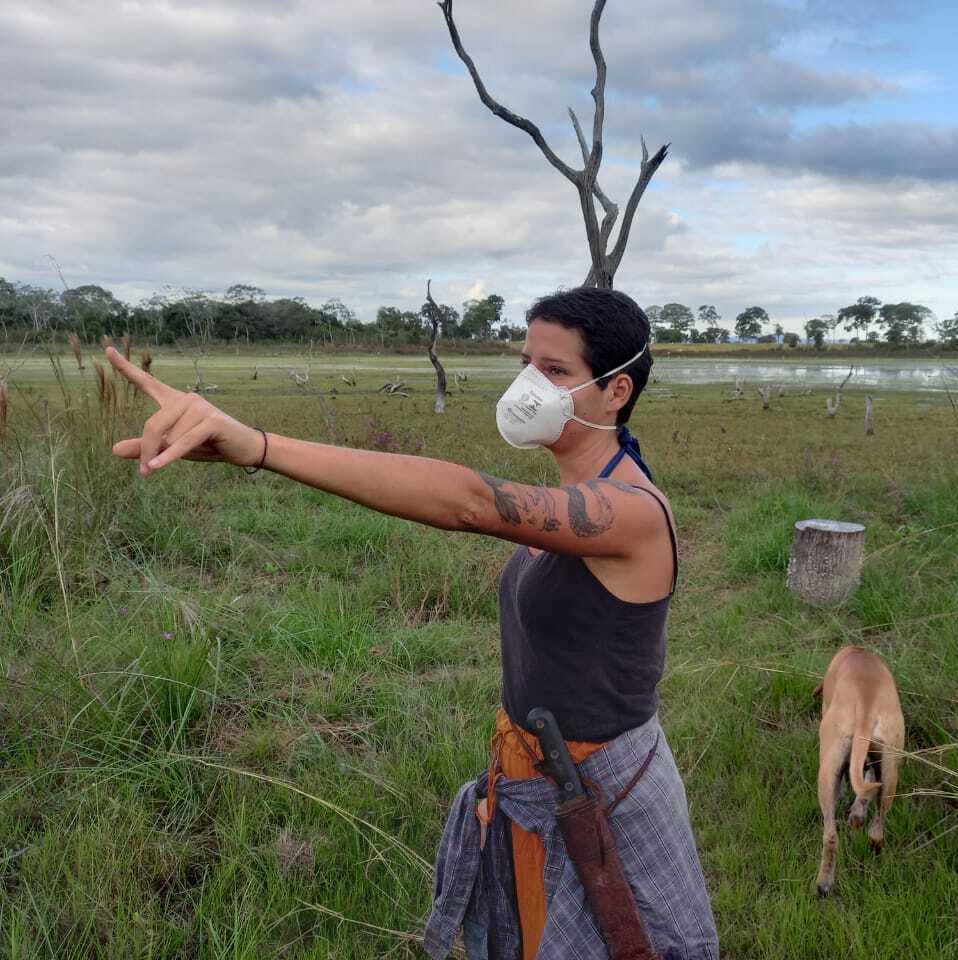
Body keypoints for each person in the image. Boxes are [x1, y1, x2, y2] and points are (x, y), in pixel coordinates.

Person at [105, 286, 719, 960]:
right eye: (526, 363)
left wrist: (258, 446)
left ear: (615, 391)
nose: (527, 386)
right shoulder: (571, 495)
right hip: (533, 777)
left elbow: (469, 503)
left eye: (555, 372)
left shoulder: (630, 511)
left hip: (598, 797)